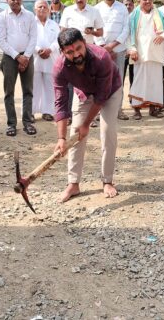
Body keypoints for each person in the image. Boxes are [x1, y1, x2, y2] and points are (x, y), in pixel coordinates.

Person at [54, 29, 123, 203]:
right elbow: (60, 103)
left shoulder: (102, 58)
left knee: (108, 132)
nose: (76, 54)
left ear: (84, 42)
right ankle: (73, 184)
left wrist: (86, 125)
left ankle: (107, 181)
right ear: (62, 52)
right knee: (75, 135)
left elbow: (101, 97)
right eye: (69, 52)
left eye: (78, 48)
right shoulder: (59, 68)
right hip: (83, 92)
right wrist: (61, 138)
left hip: (110, 91)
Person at [0, 0, 39, 136]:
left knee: (28, 91)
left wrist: (26, 57)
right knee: (9, 92)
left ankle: (28, 122)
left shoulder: (29, 16)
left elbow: (33, 37)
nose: (15, 1)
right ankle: (11, 124)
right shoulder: (1, 17)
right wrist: (17, 56)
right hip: (9, 58)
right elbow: (1, 40)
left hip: (27, 57)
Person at [127, 0, 164, 120]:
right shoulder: (133, 16)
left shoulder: (159, 14)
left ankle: (153, 109)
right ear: (139, 1)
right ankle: (136, 110)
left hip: (156, 54)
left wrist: (162, 36)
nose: (148, 2)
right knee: (138, 82)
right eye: (145, 0)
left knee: (155, 83)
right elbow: (129, 35)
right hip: (139, 54)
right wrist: (132, 49)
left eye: (150, 0)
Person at [95, 0, 130, 120]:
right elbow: (96, 29)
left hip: (118, 50)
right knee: (100, 80)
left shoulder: (122, 8)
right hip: (101, 51)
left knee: (118, 80)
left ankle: (118, 110)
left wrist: (112, 46)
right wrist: (105, 48)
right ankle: (98, 110)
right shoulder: (96, 8)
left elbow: (126, 29)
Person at [33, 0, 60, 121]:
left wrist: (50, 49)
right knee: (34, 86)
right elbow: (29, 40)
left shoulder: (54, 25)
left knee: (50, 87)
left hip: (51, 58)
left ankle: (48, 111)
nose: (42, 9)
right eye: (40, 7)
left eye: (44, 7)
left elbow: (58, 40)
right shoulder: (31, 24)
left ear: (49, 10)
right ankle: (31, 112)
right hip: (35, 59)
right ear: (35, 9)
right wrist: (39, 50)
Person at [122, 0, 136, 87]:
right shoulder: (119, 17)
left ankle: (133, 99)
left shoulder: (136, 17)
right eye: (125, 4)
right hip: (122, 51)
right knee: (120, 77)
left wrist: (131, 49)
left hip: (133, 51)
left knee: (133, 77)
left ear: (133, 6)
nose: (128, 6)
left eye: (130, 4)